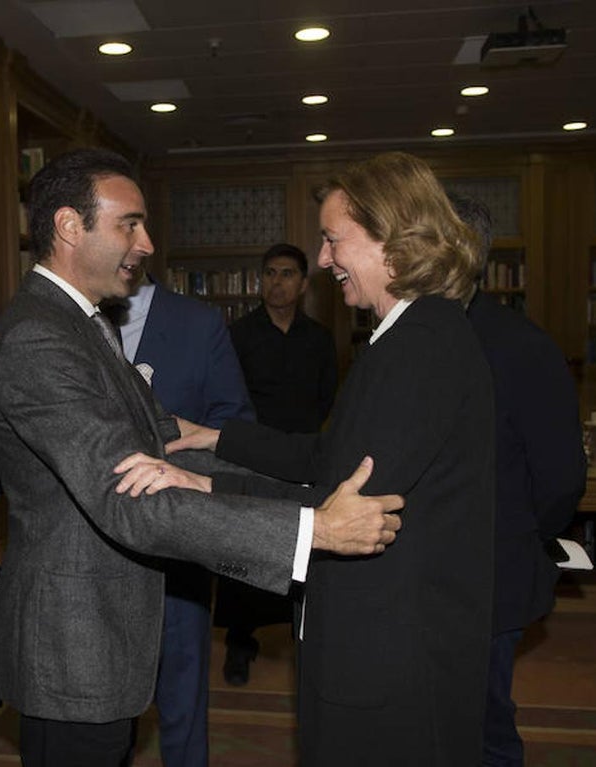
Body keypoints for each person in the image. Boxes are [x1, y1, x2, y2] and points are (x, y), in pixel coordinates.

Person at [0, 147, 403, 767]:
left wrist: (311, 504)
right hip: (72, 643)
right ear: (70, 227)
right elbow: (130, 499)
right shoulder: (39, 338)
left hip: (105, 632)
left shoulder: (82, 325)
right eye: (130, 224)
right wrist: (311, 531)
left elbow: (172, 454)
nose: (147, 243)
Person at [168, 151, 497, 766]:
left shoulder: (420, 347)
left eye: (331, 239)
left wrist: (202, 490)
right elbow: (329, 453)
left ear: (390, 236)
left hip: (394, 652)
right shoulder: (409, 334)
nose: (321, 260)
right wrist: (216, 439)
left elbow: (343, 504)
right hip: (385, 636)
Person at [450, 192, 588, 767]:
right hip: (416, 583)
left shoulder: (522, 346)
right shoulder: (396, 338)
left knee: (484, 730)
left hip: (488, 579)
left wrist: (516, 540)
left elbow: (560, 478)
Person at [108, 270, 255, 766]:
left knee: (181, 698)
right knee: (100, 715)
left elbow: (234, 429)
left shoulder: (197, 323)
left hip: (176, 550)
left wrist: (172, 470)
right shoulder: (67, 317)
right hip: (90, 553)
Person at [218, 242, 338, 685]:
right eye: (270, 273)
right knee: (245, 547)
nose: (277, 282)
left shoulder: (320, 338)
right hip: (253, 456)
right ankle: (239, 642)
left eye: (287, 274)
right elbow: (230, 397)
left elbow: (327, 397)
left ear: (303, 284)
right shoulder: (239, 335)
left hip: (303, 458)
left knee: (300, 549)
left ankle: (302, 636)